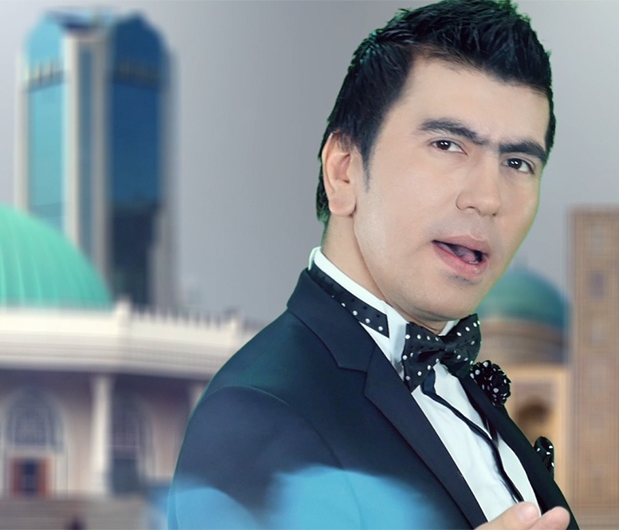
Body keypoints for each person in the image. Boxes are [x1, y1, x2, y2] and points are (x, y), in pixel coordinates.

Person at [168, 1, 576, 528]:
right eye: (447, 144)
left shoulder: (459, 385)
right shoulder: (256, 413)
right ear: (343, 173)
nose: (488, 198)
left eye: (518, 162)